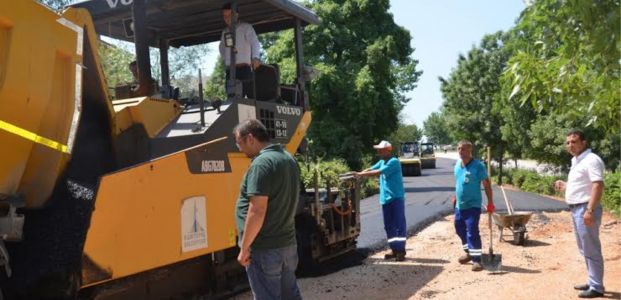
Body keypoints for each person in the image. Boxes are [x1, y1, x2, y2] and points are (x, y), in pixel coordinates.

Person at [233, 119, 302, 300]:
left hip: (265, 249)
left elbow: (257, 211)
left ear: (250, 138)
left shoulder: (262, 164)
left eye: (239, 143)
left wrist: (244, 247)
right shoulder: (288, 158)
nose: (239, 148)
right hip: (287, 245)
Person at [554, 129, 605, 298]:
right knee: (584, 248)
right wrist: (566, 185)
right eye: (567, 142)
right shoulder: (576, 161)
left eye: (574, 142)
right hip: (577, 209)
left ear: (584, 143)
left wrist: (590, 210)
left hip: (585, 208)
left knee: (591, 248)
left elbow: (598, 185)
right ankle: (592, 280)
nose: (570, 145)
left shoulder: (591, 160)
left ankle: (597, 286)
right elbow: (584, 185)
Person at [356, 140, 407, 261]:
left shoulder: (394, 162)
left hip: (396, 198)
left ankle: (401, 250)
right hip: (385, 199)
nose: (378, 152)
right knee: (389, 225)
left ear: (388, 150)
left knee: (399, 224)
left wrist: (361, 175)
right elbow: (371, 168)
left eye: (381, 150)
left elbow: (378, 172)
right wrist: (359, 173)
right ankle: (394, 249)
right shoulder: (382, 161)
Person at [451, 140, 494, 271]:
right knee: (459, 228)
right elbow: (459, 183)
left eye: (463, 149)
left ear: (470, 151)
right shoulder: (457, 165)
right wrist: (455, 196)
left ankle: (477, 260)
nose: (460, 151)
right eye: (459, 149)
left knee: (472, 231)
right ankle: (469, 252)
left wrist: (490, 202)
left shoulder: (478, 166)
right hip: (460, 205)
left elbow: (487, 185)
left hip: (473, 205)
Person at [220, 3, 261, 99]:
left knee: (251, 98)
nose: (227, 18)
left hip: (244, 70)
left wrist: (255, 57)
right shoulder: (225, 32)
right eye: (225, 16)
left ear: (236, 15)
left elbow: (254, 42)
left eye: (229, 15)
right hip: (230, 72)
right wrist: (226, 59)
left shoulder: (246, 27)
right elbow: (221, 48)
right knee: (232, 99)